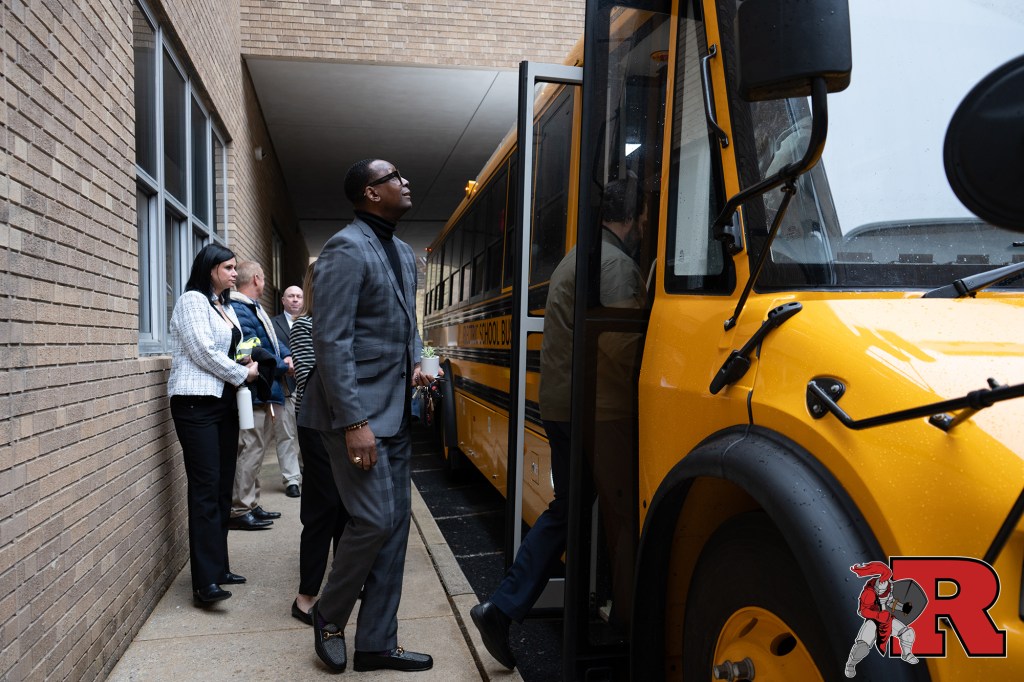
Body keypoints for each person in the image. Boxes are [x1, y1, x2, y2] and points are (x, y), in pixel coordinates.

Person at [470, 179, 648, 670]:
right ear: (633, 216)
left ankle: (501, 609)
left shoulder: (580, 256)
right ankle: (631, 627)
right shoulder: (616, 266)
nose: (646, 224)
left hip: (564, 404)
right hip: (601, 410)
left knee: (569, 509)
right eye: (645, 214)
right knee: (624, 516)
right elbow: (622, 349)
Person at [299, 159, 435, 673]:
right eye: (394, 177)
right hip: (352, 416)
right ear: (371, 193)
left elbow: (407, 324)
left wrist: (418, 360)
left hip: (396, 413)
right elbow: (331, 339)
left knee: (395, 530)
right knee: (374, 520)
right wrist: (355, 423)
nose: (405, 181)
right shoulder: (345, 248)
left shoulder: (402, 252)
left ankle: (376, 643)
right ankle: (328, 614)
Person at [167, 244, 260, 606]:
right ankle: (204, 583)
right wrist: (242, 373)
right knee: (205, 489)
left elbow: (227, 348)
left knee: (222, 488)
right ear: (210, 269)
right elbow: (202, 352)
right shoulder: (192, 300)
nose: (235, 273)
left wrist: (246, 360)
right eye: (229, 268)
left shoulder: (224, 305)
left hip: (223, 403)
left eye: (236, 268)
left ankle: (219, 568)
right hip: (196, 404)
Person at [288, 263, 350, 626]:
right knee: (322, 508)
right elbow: (318, 378)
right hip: (316, 426)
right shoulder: (305, 325)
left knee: (344, 506)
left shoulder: (339, 324)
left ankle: (342, 583)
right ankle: (305, 597)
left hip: (342, 425)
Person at [227, 261, 295, 530]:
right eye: (264, 277)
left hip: (262, 390)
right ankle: (240, 508)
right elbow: (253, 350)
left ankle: (251, 503)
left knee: (255, 450)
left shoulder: (252, 308)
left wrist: (285, 355)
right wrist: (284, 366)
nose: (265, 282)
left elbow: (271, 343)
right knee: (250, 450)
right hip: (254, 392)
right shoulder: (240, 309)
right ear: (256, 279)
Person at [272, 285, 304, 498]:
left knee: (308, 432)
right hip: (284, 386)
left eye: (299, 296)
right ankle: (291, 479)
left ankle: (304, 468)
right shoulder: (272, 324)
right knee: (285, 434)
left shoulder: (313, 322)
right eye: (291, 296)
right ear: (283, 300)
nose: (295, 299)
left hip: (310, 387)